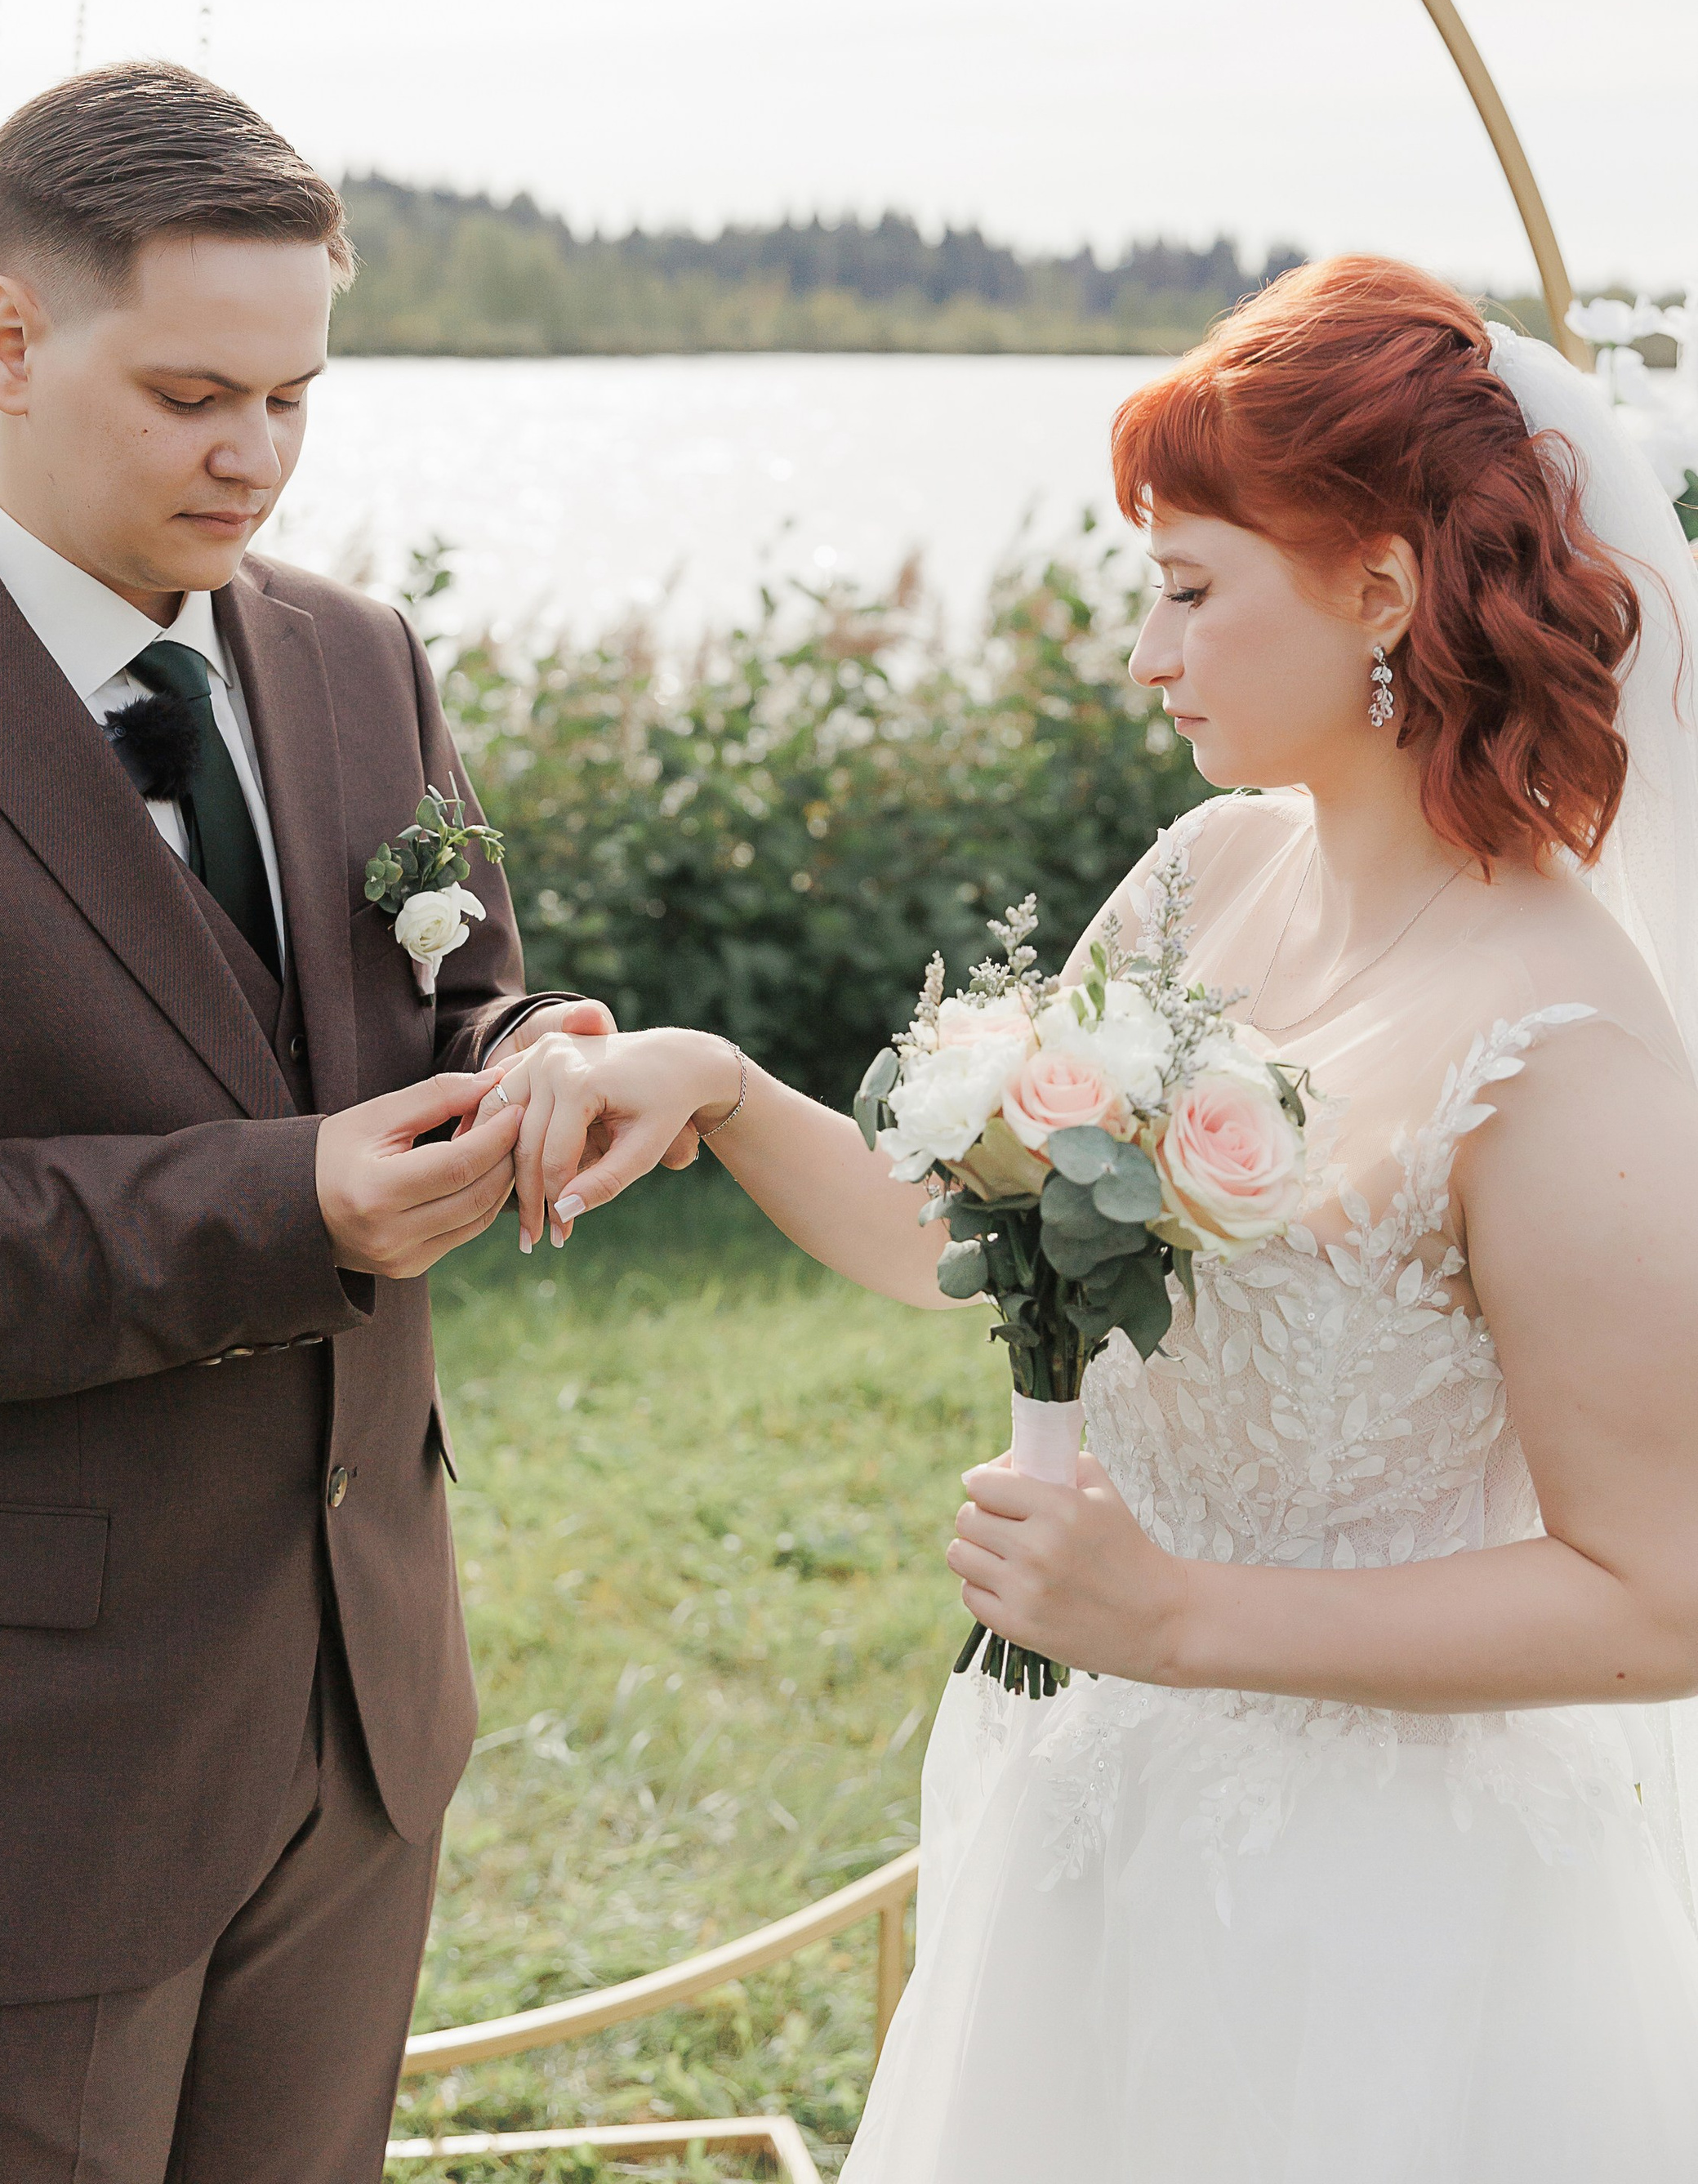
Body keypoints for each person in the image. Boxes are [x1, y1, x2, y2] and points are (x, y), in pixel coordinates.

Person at [488, 257, 1698, 2179]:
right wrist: (717, 1082)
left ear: (1379, 592)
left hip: (1386, 1924)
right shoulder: (1209, 876)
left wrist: (1180, 1614)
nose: (1146, 654)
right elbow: (947, 1237)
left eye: (1191, 589)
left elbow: (1658, 1600)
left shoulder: (1561, 1040)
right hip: (1097, 1815)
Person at [0, 59, 619, 2184]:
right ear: (6, 338)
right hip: (2, 1782)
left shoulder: (360, 663)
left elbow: (448, 990)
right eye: (191, 393)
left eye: (293, 397)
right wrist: (297, 1201)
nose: (252, 454)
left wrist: (531, 1053)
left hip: (357, 1717)